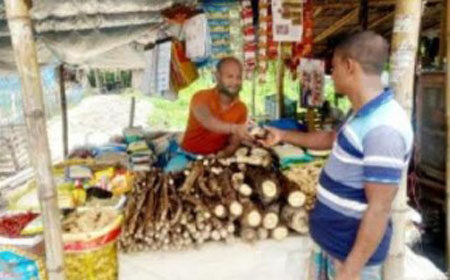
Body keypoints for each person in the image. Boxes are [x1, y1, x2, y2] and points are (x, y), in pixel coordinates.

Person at [261, 31, 413, 280]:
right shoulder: (363, 113)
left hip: (350, 261)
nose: (331, 76)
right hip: (334, 247)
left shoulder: (384, 128)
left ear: (349, 66)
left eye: (333, 68)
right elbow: (332, 139)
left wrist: (351, 271)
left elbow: (379, 208)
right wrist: (282, 135)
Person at [164, 57, 251, 173]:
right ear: (217, 77)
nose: (235, 82)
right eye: (229, 77)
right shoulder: (200, 97)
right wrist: (234, 128)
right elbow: (208, 121)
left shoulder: (241, 109)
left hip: (214, 161)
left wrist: (222, 155)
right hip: (186, 157)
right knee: (168, 179)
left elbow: (233, 144)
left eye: (238, 77)